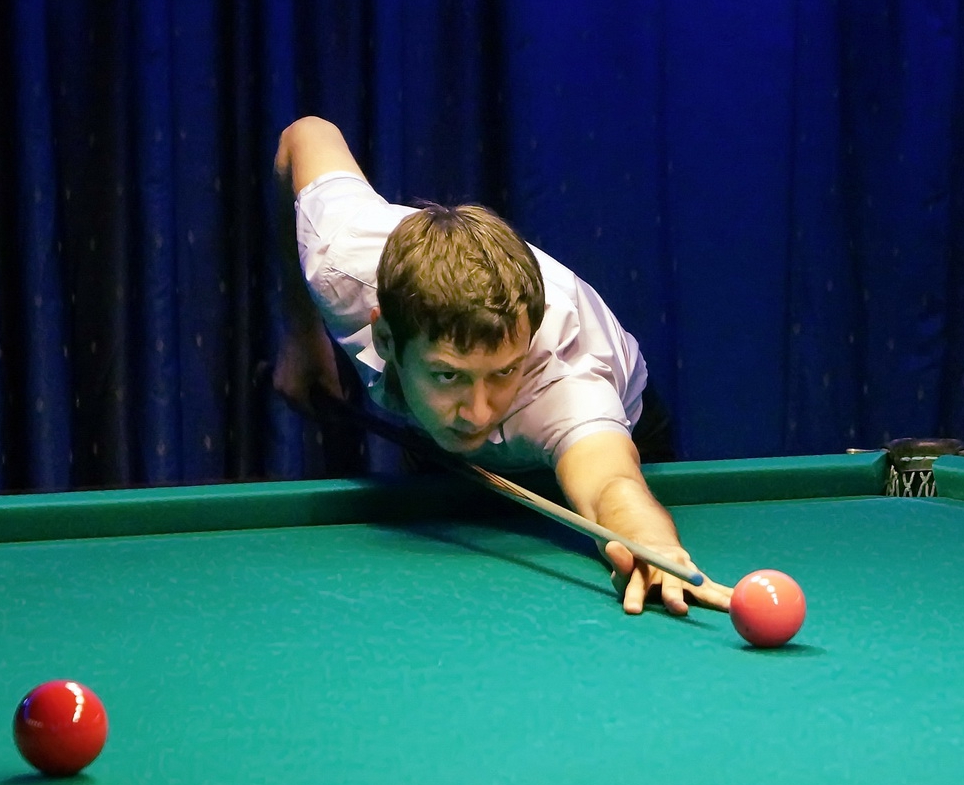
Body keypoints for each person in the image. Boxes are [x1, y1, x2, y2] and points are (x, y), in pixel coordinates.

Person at [272, 116, 731, 614]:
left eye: (503, 372)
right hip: (438, 438)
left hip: (615, 428)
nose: (479, 412)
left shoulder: (566, 379)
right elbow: (306, 135)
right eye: (449, 375)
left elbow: (610, 483)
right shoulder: (340, 262)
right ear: (385, 337)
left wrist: (652, 544)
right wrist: (302, 333)